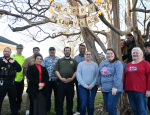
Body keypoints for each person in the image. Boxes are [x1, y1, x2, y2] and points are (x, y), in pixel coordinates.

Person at [123, 47, 150, 115]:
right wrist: (124, 88)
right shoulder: (128, 64)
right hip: (130, 91)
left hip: (141, 91)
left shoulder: (145, 63)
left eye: (136, 53)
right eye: (133, 53)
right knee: (135, 110)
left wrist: (148, 90)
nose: (135, 54)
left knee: (142, 111)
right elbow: (125, 77)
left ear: (141, 54)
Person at [97, 48, 123, 115]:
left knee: (111, 106)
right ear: (106, 55)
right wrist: (100, 85)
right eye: (108, 54)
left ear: (114, 54)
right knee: (107, 107)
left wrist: (115, 86)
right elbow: (99, 75)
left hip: (114, 89)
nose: (110, 55)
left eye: (111, 53)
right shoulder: (102, 63)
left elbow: (118, 76)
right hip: (105, 88)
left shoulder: (117, 63)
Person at [54, 47, 78, 115]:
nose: (67, 51)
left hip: (70, 83)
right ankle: (59, 112)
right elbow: (56, 70)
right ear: (64, 51)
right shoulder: (60, 60)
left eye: (68, 50)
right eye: (66, 50)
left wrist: (72, 78)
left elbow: (76, 71)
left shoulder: (74, 61)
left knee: (70, 99)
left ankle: (69, 112)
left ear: (70, 51)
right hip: (61, 83)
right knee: (60, 98)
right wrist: (61, 78)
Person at [0, 47, 21, 115]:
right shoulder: (0, 60)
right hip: (2, 82)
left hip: (11, 82)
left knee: (12, 99)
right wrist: (2, 63)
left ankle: (14, 113)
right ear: (3, 52)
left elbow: (19, 69)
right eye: (6, 51)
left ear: (10, 53)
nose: (7, 52)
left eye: (8, 51)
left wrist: (14, 63)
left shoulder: (13, 60)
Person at [74, 44, 94, 115]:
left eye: (83, 48)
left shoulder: (92, 60)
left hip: (90, 82)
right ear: (79, 49)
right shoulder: (75, 58)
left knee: (89, 100)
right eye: (80, 48)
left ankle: (89, 112)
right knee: (80, 97)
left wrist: (92, 84)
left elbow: (94, 71)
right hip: (79, 80)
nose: (82, 49)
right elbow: (76, 70)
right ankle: (79, 110)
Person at [76, 50, 98, 115]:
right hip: (82, 87)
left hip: (93, 87)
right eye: (87, 54)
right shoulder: (80, 64)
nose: (88, 55)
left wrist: (92, 85)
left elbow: (97, 76)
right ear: (84, 55)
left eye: (89, 54)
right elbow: (78, 75)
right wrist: (85, 85)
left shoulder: (95, 65)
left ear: (91, 56)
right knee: (83, 103)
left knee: (91, 103)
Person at [41, 47, 59, 114]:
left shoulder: (58, 59)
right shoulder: (45, 59)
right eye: (50, 50)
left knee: (57, 96)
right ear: (49, 51)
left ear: (55, 51)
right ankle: (47, 109)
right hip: (48, 80)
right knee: (47, 96)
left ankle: (57, 109)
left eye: (53, 50)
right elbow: (42, 69)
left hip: (56, 80)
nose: (52, 51)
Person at [22, 47, 40, 115]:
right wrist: (28, 77)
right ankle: (27, 109)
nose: (36, 51)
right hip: (31, 80)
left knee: (38, 94)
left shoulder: (41, 59)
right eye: (35, 50)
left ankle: (36, 108)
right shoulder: (28, 59)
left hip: (39, 81)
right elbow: (24, 68)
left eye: (37, 50)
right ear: (33, 51)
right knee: (30, 94)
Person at [10, 44, 26, 113]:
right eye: (19, 48)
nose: (20, 49)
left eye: (21, 48)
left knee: (19, 95)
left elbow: (25, 69)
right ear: (16, 49)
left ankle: (18, 108)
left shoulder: (24, 58)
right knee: (13, 95)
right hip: (13, 79)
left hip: (21, 79)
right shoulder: (12, 57)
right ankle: (13, 109)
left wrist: (24, 77)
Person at [144, 42, 150, 111]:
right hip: (144, 81)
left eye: (149, 47)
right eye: (146, 47)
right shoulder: (142, 57)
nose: (148, 48)